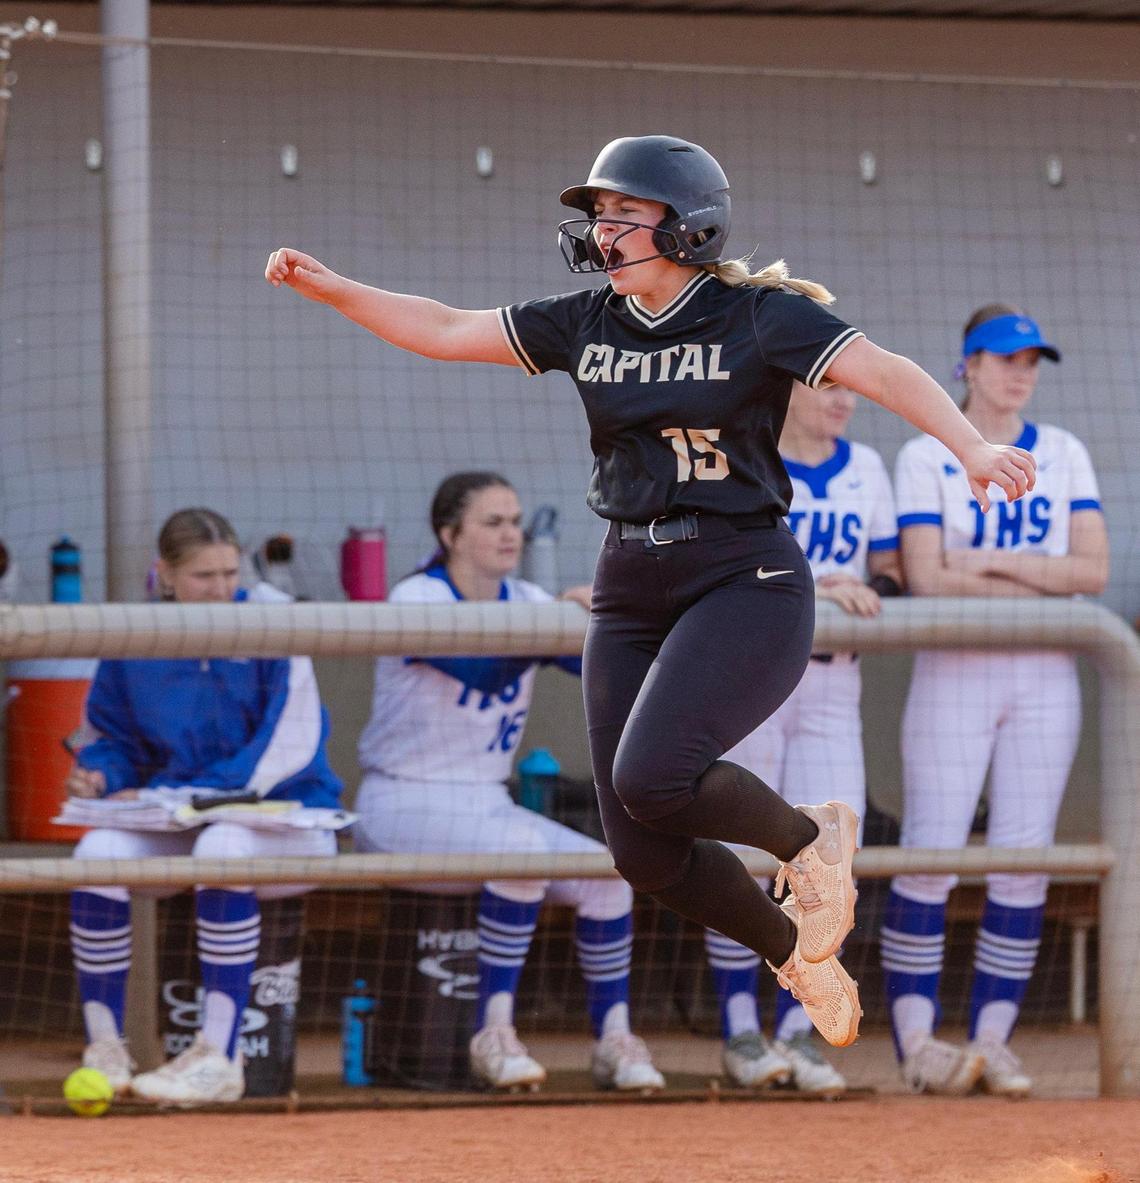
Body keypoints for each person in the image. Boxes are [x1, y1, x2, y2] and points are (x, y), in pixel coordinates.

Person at [266, 134, 1036, 1055]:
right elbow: (440, 327)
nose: (601, 235)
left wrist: (972, 448)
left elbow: (887, 371)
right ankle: (795, 949)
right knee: (640, 849)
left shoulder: (755, 315)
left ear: (688, 228)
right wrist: (332, 287)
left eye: (623, 217)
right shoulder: (586, 320)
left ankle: (807, 839)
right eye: (597, 219)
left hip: (742, 572)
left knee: (650, 775)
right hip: (629, 581)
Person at [354, 471, 665, 1092]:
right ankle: (492, 1033)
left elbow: (603, 671)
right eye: (491, 522)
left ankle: (614, 1039)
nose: (510, 533)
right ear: (450, 534)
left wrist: (610, 619)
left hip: (483, 804)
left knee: (611, 873)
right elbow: (485, 670)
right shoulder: (417, 597)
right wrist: (550, 617)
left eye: (514, 521)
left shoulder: (524, 594)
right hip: (399, 800)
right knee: (519, 854)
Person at [880, 305, 1109, 1097]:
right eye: (1004, 358)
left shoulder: (1067, 452)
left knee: (1023, 858)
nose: (1020, 372)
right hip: (954, 671)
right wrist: (1024, 569)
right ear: (968, 366)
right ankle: (916, 1041)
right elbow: (926, 574)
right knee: (931, 850)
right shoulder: (925, 453)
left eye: (1031, 360)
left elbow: (1092, 570)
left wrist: (988, 563)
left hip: (1043, 677)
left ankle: (991, 1039)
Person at [68, 508, 344, 1105]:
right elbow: (114, 740)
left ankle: (218, 1055)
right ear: (164, 575)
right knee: (97, 853)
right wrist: (101, 774)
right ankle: (106, 1047)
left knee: (222, 845)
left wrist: (184, 798)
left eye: (228, 573)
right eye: (203, 577)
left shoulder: (272, 621)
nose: (221, 588)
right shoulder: (135, 636)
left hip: (291, 818)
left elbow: (287, 750)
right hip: (184, 817)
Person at [708, 380, 902, 1095]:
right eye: (822, 385)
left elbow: (893, 570)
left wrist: (866, 582)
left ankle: (803, 1031)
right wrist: (811, 582)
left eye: (846, 386)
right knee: (743, 856)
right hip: (750, 676)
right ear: (780, 388)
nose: (841, 399)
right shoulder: (737, 456)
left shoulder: (867, 469)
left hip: (830, 685)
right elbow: (715, 568)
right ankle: (741, 1030)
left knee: (832, 860)